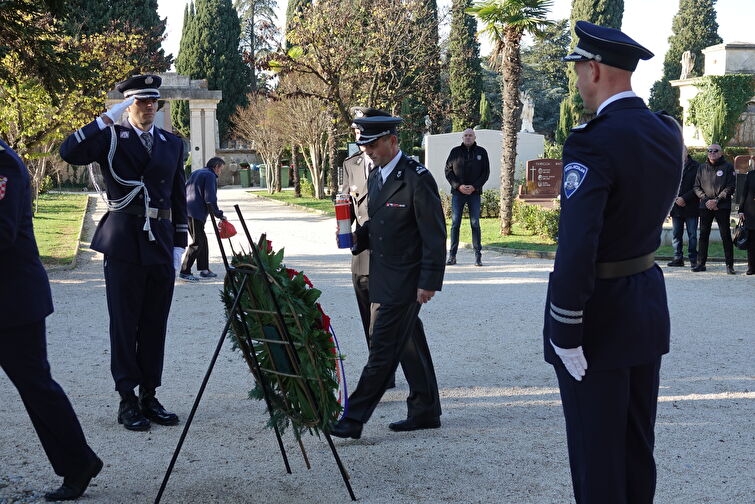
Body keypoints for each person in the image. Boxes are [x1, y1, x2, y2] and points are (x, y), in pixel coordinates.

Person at [546, 21, 683, 503]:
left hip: (597, 320)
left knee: (596, 456)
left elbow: (577, 246)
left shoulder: (592, 141)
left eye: (578, 70)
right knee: (635, 449)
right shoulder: (665, 131)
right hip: (644, 305)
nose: (577, 82)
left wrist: (565, 329)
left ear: (596, 69)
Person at [60, 74, 188, 431]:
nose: (148, 107)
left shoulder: (171, 143)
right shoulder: (111, 137)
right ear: (128, 104)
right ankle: (127, 399)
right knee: (124, 322)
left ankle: (150, 394)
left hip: (160, 240)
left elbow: (178, 195)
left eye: (153, 102)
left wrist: (180, 243)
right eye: (141, 101)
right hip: (123, 241)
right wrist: (104, 119)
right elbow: (69, 151)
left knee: (154, 322)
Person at [329, 115, 446, 439]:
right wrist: (358, 239)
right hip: (384, 272)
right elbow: (377, 222)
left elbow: (434, 234)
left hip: (406, 278)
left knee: (382, 349)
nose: (367, 150)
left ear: (392, 141)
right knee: (406, 342)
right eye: (364, 144)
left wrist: (428, 282)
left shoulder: (416, 177)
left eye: (373, 144)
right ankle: (425, 410)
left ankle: (352, 419)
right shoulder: (379, 175)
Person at [1, 139, 103, 500]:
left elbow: (3, 232)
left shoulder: (4, 165)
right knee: (35, 385)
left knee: (36, 387)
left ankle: (79, 462)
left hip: (12, 301)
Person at [444, 128, 490, 266]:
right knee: (455, 224)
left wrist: (474, 187)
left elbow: (485, 172)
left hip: (474, 194)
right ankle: (452, 256)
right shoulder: (455, 152)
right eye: (466, 135)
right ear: (462, 138)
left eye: (470, 135)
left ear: (475, 137)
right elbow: (448, 171)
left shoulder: (481, 152)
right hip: (458, 194)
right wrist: (458, 186)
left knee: (475, 223)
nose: (468, 137)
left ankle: (478, 256)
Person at [180, 156, 227, 281]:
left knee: (202, 240)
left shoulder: (197, 172)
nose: (220, 172)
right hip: (195, 212)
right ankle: (185, 271)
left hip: (188, 209)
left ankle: (204, 269)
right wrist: (219, 214)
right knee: (198, 242)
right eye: (220, 169)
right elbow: (210, 198)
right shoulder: (210, 176)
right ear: (216, 167)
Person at [692, 144, 736, 274]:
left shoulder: (727, 167)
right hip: (705, 206)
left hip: (722, 206)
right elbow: (696, 187)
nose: (712, 152)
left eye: (715, 151)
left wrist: (717, 200)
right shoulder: (702, 167)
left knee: (725, 235)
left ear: (720, 153)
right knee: (703, 235)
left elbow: (730, 186)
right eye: (709, 150)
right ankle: (701, 263)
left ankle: (729, 265)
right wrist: (707, 200)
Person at [667, 148, 700, 268]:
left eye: (683, 151)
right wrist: (676, 199)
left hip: (691, 205)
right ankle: (678, 258)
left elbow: (698, 186)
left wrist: (684, 198)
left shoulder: (696, 166)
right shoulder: (672, 165)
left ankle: (693, 258)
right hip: (676, 207)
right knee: (676, 234)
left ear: (687, 152)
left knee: (692, 234)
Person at [737, 167, 755, 274]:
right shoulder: (751, 174)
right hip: (751, 211)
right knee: (752, 242)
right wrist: (741, 210)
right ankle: (751, 267)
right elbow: (744, 192)